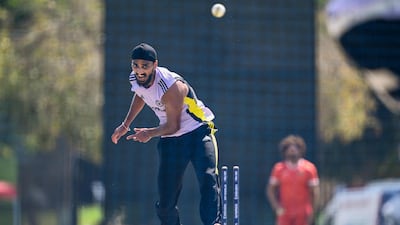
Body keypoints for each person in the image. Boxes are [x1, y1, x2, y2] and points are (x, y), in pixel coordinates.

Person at [111, 43, 221, 225]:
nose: (139, 71)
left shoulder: (171, 86)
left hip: (198, 133)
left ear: (155, 65)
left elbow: (173, 126)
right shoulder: (135, 78)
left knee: (207, 177)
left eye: (144, 66)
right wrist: (125, 124)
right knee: (165, 202)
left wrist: (149, 133)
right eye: (135, 65)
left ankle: (213, 222)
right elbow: (141, 94)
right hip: (171, 141)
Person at [266, 135, 320, 225]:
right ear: (285, 151)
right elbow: (270, 190)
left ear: (300, 150)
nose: (292, 152)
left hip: (303, 213)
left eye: (295, 149)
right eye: (290, 150)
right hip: (285, 212)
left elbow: (315, 192)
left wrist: (313, 212)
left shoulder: (309, 168)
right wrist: (276, 207)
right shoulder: (278, 169)